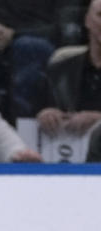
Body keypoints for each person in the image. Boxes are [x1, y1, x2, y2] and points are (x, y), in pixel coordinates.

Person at [34, 0, 101, 139]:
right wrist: (45, 113)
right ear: (87, 20)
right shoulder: (60, 70)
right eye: (100, 15)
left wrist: (98, 120)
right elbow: (36, 110)